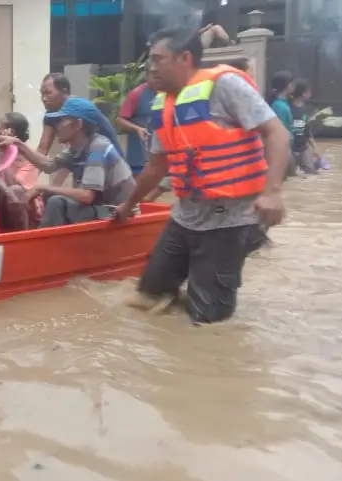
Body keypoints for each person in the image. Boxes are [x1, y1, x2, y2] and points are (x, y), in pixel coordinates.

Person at [113, 27, 290, 324]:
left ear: (185, 58)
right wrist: (128, 204)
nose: (150, 68)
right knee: (147, 298)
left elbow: (278, 133)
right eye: (149, 61)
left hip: (229, 221)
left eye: (158, 59)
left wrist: (272, 192)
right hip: (185, 217)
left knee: (207, 322)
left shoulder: (225, 86)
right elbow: (156, 167)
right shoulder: (163, 104)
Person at [2, 97, 136, 228]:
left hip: (117, 212)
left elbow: (87, 196)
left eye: (61, 120)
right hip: (100, 209)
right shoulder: (76, 148)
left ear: (78, 124)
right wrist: (18, 144)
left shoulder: (98, 148)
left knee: (56, 202)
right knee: (49, 197)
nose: (57, 126)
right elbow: (48, 165)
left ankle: (43, 240)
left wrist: (42, 188)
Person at [36, 73, 124, 185]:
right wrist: (27, 182)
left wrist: (52, 188)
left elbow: (71, 156)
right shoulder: (51, 114)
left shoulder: (79, 108)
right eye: (42, 94)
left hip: (107, 163)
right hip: (85, 163)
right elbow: (43, 148)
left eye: (48, 93)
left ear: (64, 92)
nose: (44, 98)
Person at [0, 112, 43, 231]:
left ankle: (22, 235)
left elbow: (13, 185)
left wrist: (5, 154)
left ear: (11, 132)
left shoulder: (30, 159)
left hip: (24, 203)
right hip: (1, 198)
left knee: (15, 191)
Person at [117, 71, 157, 177]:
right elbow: (120, 120)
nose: (158, 78)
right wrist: (137, 128)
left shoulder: (168, 92)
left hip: (162, 155)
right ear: (147, 76)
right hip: (140, 156)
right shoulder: (137, 94)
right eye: (154, 74)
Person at [289, 78, 321, 174]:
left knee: (311, 172)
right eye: (309, 91)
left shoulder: (305, 110)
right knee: (290, 174)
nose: (310, 93)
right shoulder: (287, 108)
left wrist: (315, 148)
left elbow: (307, 130)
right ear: (304, 93)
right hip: (290, 148)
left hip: (303, 147)